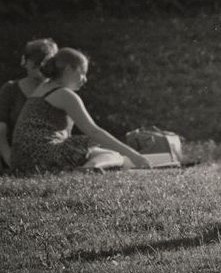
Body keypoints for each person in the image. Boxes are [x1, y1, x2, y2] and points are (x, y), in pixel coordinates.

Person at [11, 47, 151, 174]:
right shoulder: (65, 94)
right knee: (115, 156)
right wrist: (135, 156)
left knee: (106, 155)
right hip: (45, 158)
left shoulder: (42, 88)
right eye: (82, 73)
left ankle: (88, 168)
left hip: (21, 162)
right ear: (68, 70)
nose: (85, 80)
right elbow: (93, 131)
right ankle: (87, 170)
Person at [0, 38, 59, 170]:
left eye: (44, 64)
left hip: (48, 158)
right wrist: (10, 160)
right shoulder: (10, 89)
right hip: (12, 155)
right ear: (24, 61)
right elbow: (1, 130)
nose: (39, 70)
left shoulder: (59, 92)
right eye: (35, 64)